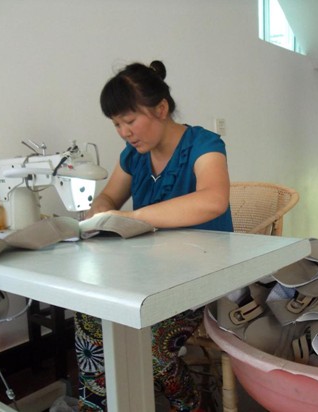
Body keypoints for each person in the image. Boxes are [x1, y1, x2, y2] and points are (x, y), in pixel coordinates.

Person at [74, 60, 233, 412]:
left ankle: (192, 403)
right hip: (147, 275)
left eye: (129, 121)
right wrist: (101, 213)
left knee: (149, 350)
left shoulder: (204, 144)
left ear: (161, 109)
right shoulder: (134, 156)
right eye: (116, 124)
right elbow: (108, 197)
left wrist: (133, 217)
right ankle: (98, 405)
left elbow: (213, 199)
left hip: (200, 275)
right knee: (89, 321)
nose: (124, 132)